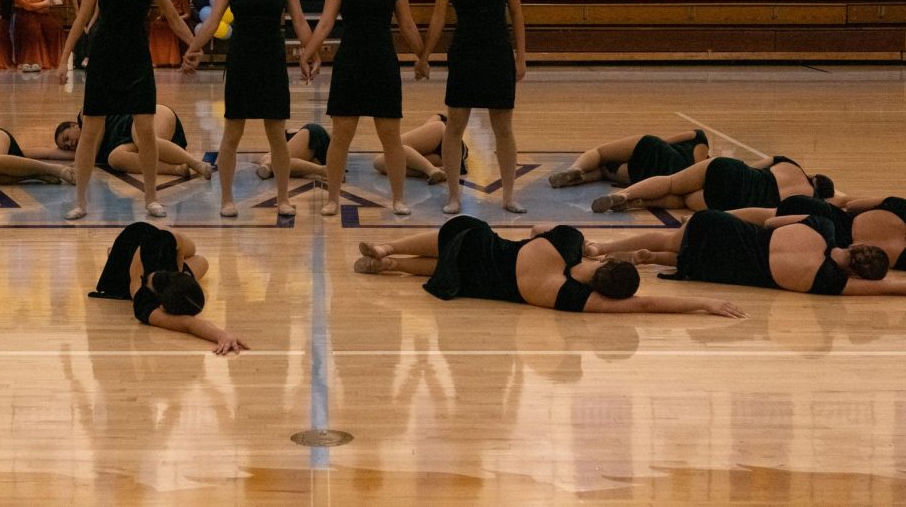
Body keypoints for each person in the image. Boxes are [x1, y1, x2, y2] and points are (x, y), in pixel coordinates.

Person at [56, 0, 197, 220]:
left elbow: (174, 19)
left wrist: (194, 48)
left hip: (137, 62)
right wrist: (63, 60)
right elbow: (81, 19)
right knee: (91, 131)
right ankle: (80, 201)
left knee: (145, 132)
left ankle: (150, 198)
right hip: (104, 60)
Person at [183, 0, 317, 218]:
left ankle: (283, 198)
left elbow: (299, 22)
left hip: (272, 61)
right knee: (232, 132)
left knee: (277, 134)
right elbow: (213, 22)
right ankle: (226, 199)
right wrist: (193, 49)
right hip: (241, 60)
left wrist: (310, 52)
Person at [353, 217, 745, 317]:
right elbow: (645, 306)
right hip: (468, 282)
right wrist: (702, 303)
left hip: (479, 248)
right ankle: (390, 265)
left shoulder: (566, 243)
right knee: (450, 269)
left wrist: (585, 247)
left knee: (462, 234)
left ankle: (389, 247)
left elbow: (536, 227)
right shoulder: (571, 299)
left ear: (604, 261)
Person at [299, 0, 424, 216]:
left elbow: (406, 25)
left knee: (391, 135)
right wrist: (307, 53)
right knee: (341, 134)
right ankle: (332, 198)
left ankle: (398, 198)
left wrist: (423, 56)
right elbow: (326, 23)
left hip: (383, 63)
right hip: (350, 63)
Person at [417, 0, 527, 214]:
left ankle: (508, 195)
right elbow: (439, 17)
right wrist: (424, 55)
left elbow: (516, 13)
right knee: (454, 126)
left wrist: (521, 56)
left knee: (503, 127)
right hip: (464, 55)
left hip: (497, 54)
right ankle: (454, 196)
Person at [586, 210, 900, 297]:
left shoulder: (824, 226)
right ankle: (651, 259)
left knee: (667, 239)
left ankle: (602, 248)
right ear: (858, 274)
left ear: (857, 245)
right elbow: (887, 288)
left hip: (724, 230)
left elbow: (769, 221)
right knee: (683, 259)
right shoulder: (828, 280)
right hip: (722, 267)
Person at [88, 221, 246, 355]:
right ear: (163, 306)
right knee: (199, 259)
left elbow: (188, 323)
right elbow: (187, 324)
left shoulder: (167, 241)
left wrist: (179, 257)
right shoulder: (141, 297)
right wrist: (221, 334)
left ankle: (179, 258)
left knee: (200, 258)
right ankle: (112, 253)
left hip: (155, 238)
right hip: (125, 258)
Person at [590, 154, 833, 213]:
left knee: (672, 182)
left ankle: (626, 194)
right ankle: (639, 203)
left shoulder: (791, 166)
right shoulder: (803, 202)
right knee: (683, 200)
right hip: (733, 201)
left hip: (732, 171)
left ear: (813, 176)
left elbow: (755, 166)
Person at [729, 193, 906, 272]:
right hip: (819, 244)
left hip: (822, 213)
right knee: (754, 239)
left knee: (767, 215)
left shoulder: (901, 206)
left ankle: (713, 217)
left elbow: (851, 204)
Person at [42, 105, 213, 179]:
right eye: (66, 146)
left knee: (142, 140)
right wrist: (15, 152)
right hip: (132, 141)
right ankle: (175, 169)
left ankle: (197, 164)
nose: (69, 145)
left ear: (74, 126)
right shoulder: (84, 151)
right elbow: (46, 154)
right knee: (115, 158)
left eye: (67, 138)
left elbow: (99, 131)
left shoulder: (84, 114)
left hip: (149, 116)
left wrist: (86, 161)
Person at [549, 130, 710, 189]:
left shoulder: (700, 137)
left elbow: (665, 141)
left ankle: (575, 170)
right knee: (604, 171)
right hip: (654, 177)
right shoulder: (698, 178)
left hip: (654, 148)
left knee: (600, 154)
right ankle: (581, 178)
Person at [372, 112, 469, 186]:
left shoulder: (439, 119)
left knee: (395, 147)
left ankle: (430, 170)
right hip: (451, 158)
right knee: (379, 163)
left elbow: (435, 118)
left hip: (442, 135)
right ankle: (433, 170)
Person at [12, 0, 63, 71]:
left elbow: (46, 9)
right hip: (24, 16)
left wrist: (36, 6)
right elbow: (27, 6)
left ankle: (51, 61)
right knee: (33, 27)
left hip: (41, 15)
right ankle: (30, 61)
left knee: (56, 27)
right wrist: (44, 3)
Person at [255, 123, 329, 182]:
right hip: (315, 135)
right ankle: (324, 170)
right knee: (279, 164)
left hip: (315, 140)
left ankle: (324, 170)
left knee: (277, 165)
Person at [148, 0, 190, 67]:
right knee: (154, 25)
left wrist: (177, 19)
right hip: (166, 20)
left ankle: (173, 59)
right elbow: (163, 13)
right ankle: (157, 60)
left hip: (178, 19)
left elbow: (187, 14)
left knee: (172, 26)